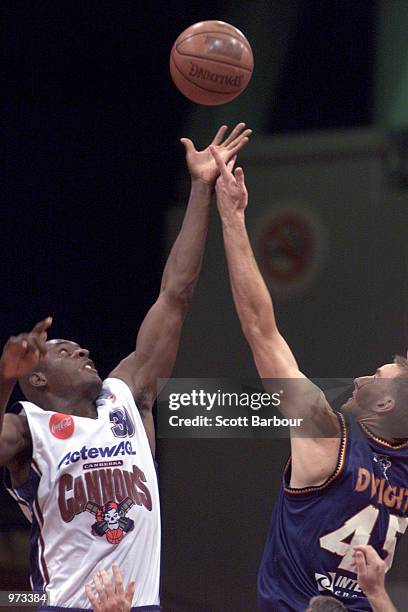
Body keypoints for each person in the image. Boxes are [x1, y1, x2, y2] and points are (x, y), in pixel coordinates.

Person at [0, 123, 251, 611]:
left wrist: (200, 188)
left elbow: (174, 296)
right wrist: (4, 375)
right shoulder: (28, 429)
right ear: (37, 378)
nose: (82, 352)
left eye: (81, 347)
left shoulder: (127, 395)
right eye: (64, 350)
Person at [209, 145, 408, 611]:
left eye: (377, 377)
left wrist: (233, 217)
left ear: (386, 406)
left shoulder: (323, 432)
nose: (360, 379)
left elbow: (260, 328)